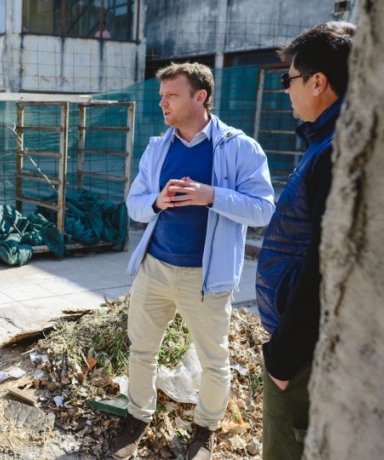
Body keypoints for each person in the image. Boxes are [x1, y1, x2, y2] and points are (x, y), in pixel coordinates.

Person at [113, 62, 275, 460]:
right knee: (141, 350)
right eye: (162, 96)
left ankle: (205, 429)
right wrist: (156, 201)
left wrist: (211, 195)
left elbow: (264, 210)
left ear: (199, 97)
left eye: (171, 96)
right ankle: (137, 415)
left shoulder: (240, 147)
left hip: (206, 278)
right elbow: (135, 205)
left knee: (214, 361)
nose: (162, 103)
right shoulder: (158, 147)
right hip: (156, 269)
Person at [256, 22, 354, 459]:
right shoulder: (330, 144)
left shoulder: (337, 153)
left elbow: (327, 269)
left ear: (319, 82)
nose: (285, 90)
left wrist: (282, 359)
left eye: (288, 78)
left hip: (303, 359)